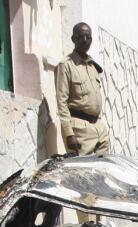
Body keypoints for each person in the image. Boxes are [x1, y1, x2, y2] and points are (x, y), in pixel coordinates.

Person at [55, 23, 110, 156]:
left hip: (98, 127)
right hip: (79, 130)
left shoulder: (92, 67)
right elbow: (61, 102)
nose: (85, 40)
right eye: (81, 37)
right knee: (83, 172)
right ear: (73, 39)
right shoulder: (66, 65)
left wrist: (101, 126)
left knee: (103, 170)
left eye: (88, 37)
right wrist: (69, 133)